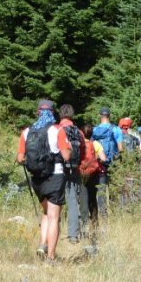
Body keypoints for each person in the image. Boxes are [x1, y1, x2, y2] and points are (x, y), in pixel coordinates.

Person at [17, 98, 71, 261]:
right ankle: (51, 257)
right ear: (52, 113)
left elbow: (20, 158)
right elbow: (66, 155)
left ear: (38, 113)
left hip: (37, 178)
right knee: (55, 216)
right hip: (55, 175)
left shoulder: (27, 132)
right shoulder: (58, 130)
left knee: (46, 212)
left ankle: (42, 244)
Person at [57, 104, 88, 244]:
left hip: (58, 169)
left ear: (61, 115)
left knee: (54, 201)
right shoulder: (78, 132)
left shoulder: (57, 130)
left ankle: (53, 230)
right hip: (74, 168)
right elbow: (83, 151)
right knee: (72, 201)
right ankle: (73, 234)